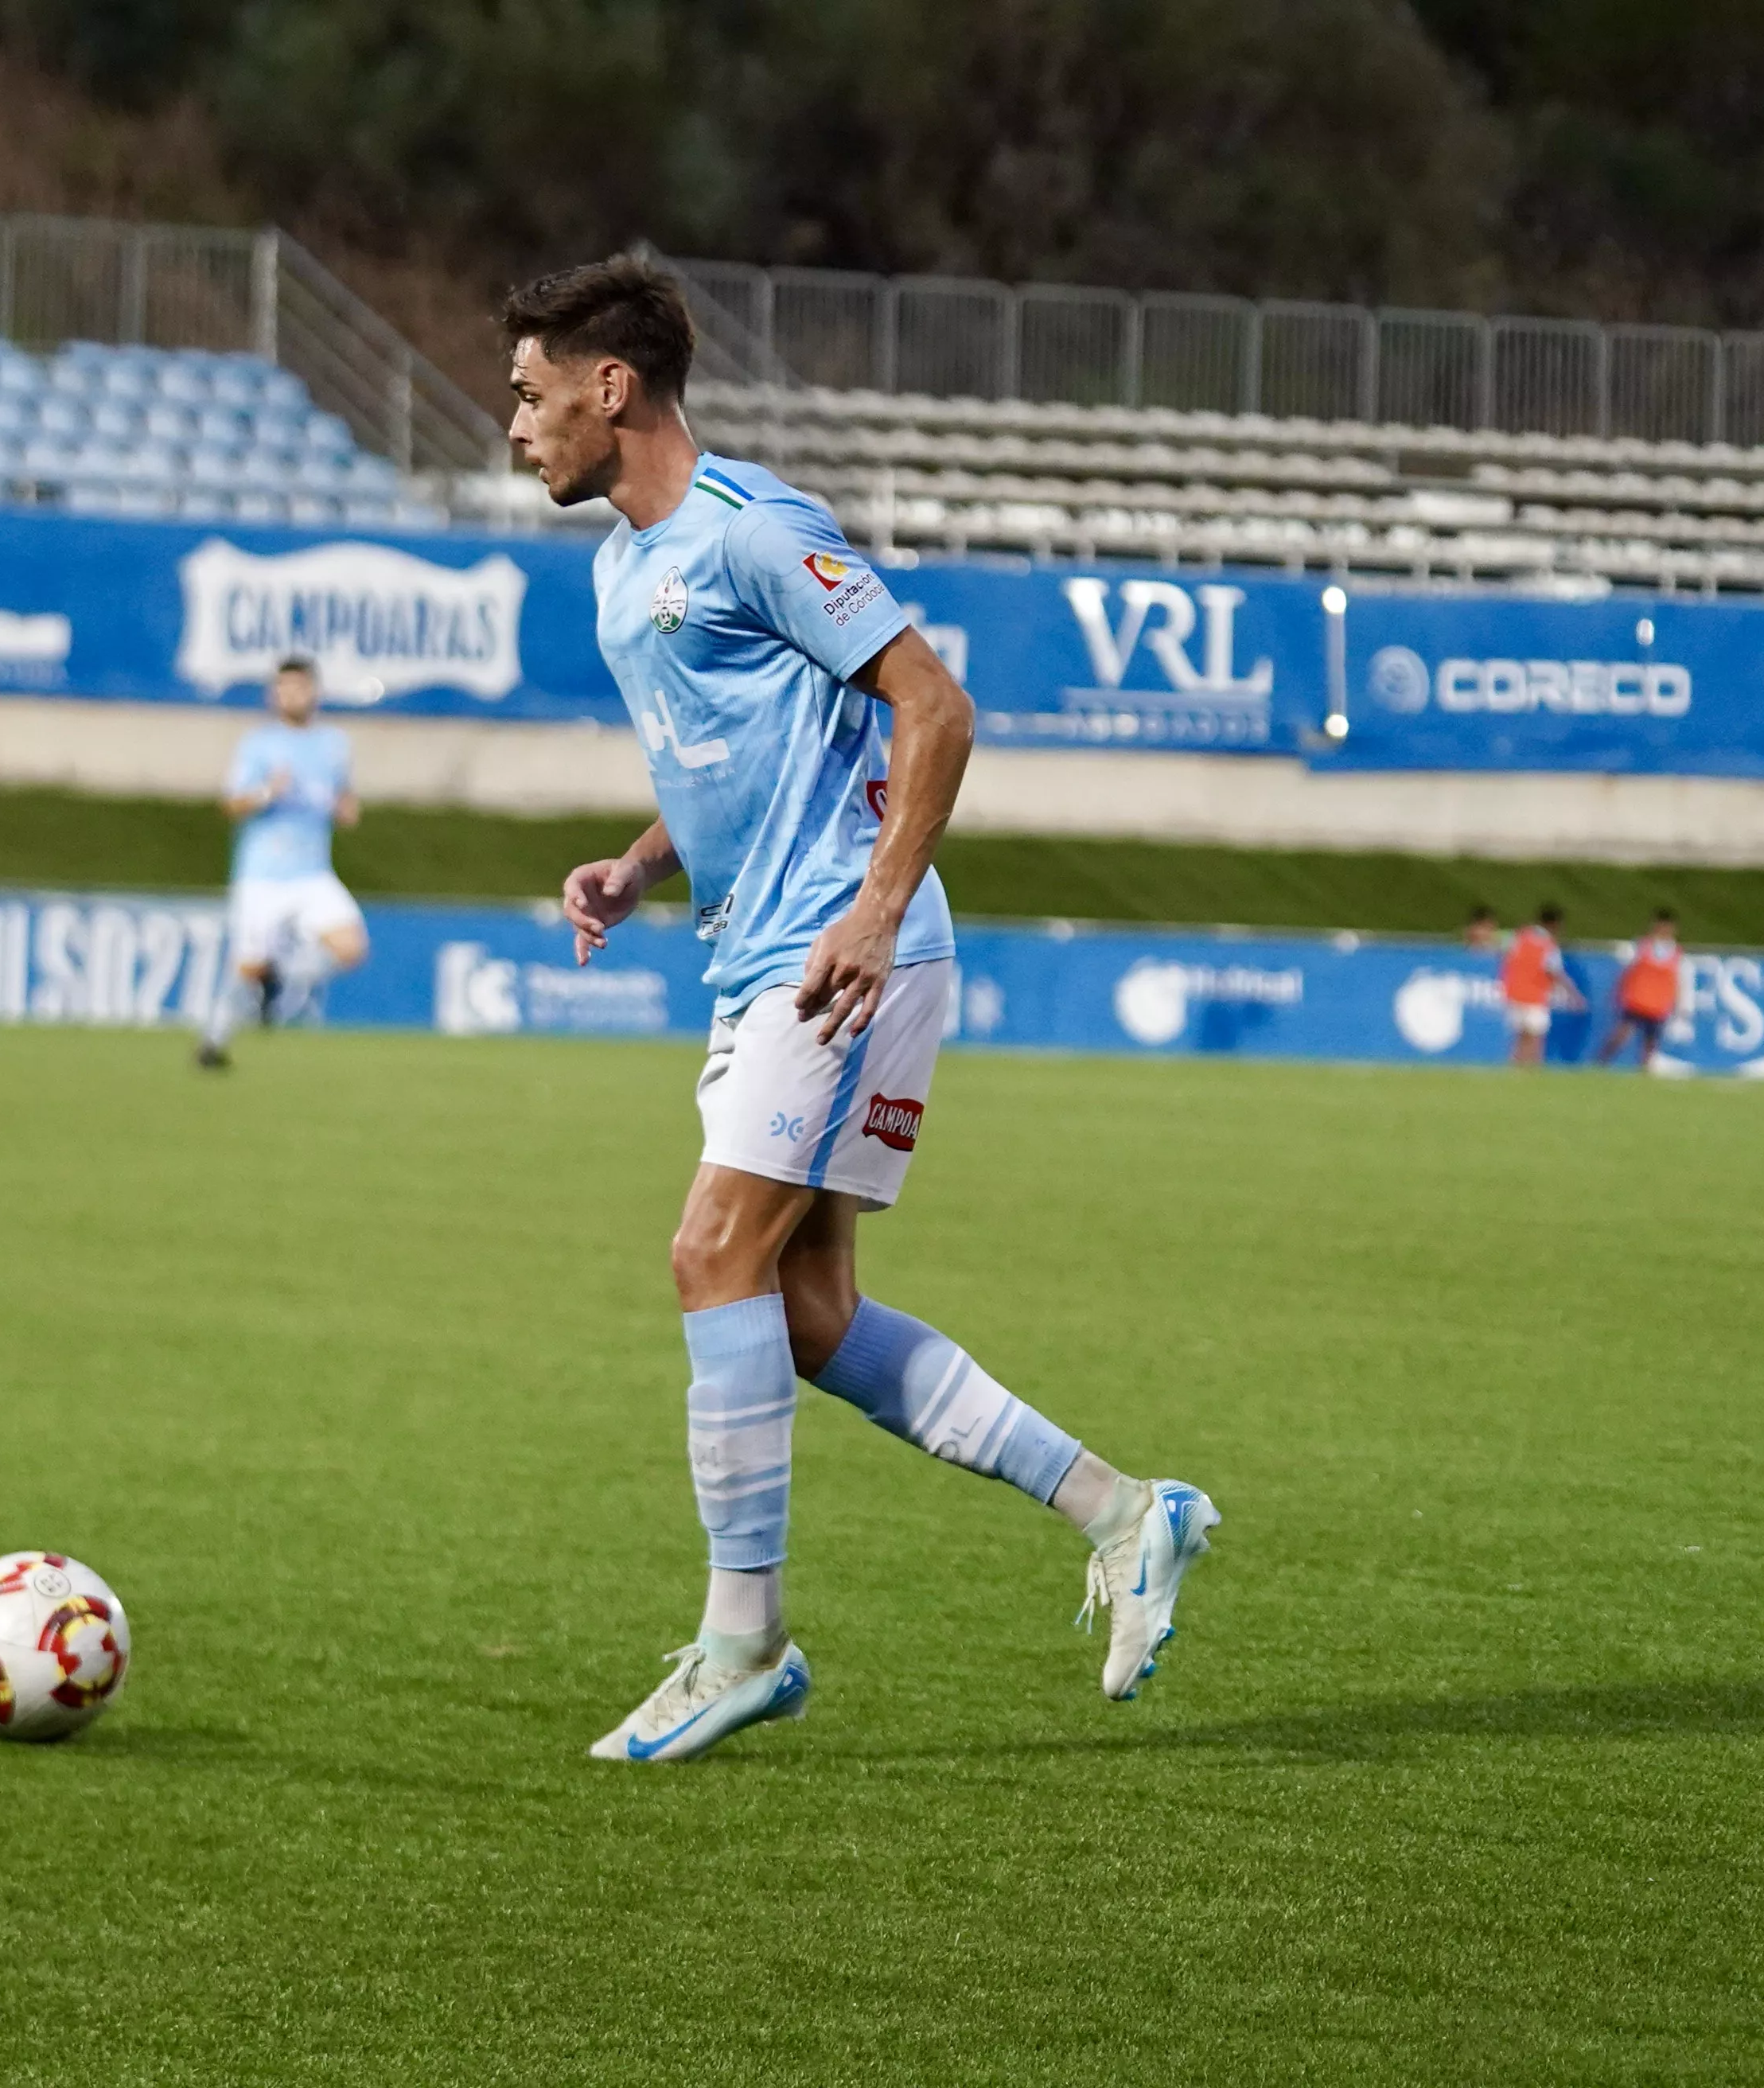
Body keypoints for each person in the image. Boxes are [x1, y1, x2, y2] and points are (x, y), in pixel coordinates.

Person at [505, 254, 1219, 1765]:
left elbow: (934, 703)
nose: (514, 425)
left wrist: (876, 905)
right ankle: (1125, 1509)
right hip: (758, 951)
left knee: (711, 1252)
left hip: (841, 954)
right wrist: (640, 863)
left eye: (529, 392)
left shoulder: (754, 531)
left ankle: (742, 1639)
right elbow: (729, 755)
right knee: (810, 1313)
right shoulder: (619, 570)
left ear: (609, 388)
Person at [196, 656, 365, 1069]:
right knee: (246, 967)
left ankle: (282, 977)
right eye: (283, 688)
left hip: (312, 873)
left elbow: (343, 798)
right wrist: (267, 793)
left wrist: (347, 809)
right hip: (263, 875)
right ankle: (212, 1044)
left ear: (314, 692)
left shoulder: (333, 745)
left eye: (298, 687)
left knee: (351, 948)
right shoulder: (259, 744)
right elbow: (231, 805)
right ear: (274, 695)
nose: (290, 695)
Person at [1598, 908, 1684, 1070]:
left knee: (1651, 1043)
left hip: (1658, 1004)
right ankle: (1600, 1063)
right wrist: (1618, 991)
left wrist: (1676, 1004)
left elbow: (1676, 980)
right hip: (1637, 1000)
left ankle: (1644, 1074)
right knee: (1622, 1034)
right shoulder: (1642, 946)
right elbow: (1627, 971)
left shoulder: (1675, 952)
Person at [1500, 903, 1578, 1069]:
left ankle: (1514, 1072)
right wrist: (1573, 994)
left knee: (1520, 1037)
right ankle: (1530, 1073)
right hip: (1534, 995)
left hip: (1513, 993)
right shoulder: (1548, 944)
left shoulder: (1520, 936)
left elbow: (1505, 955)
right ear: (1554, 924)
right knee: (1535, 1037)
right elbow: (1554, 971)